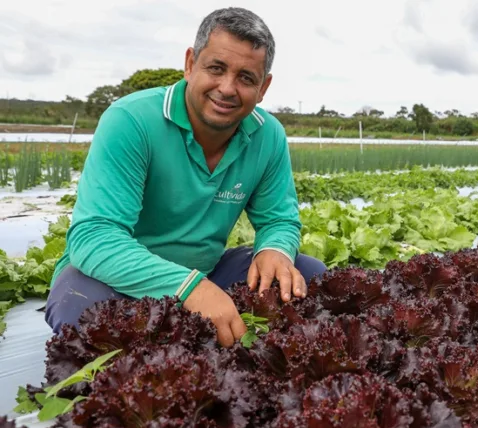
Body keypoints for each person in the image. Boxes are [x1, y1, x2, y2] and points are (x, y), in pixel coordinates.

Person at [44, 7, 327, 347]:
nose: (227, 88)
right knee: (80, 309)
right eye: (216, 68)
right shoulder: (131, 120)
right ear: (191, 63)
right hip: (114, 281)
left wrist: (275, 249)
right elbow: (94, 237)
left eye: (246, 78)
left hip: (208, 273)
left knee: (308, 276)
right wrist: (188, 289)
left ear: (263, 87)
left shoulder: (268, 136)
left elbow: (279, 219)